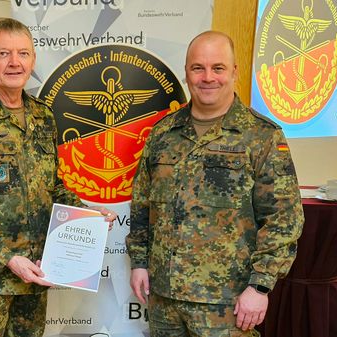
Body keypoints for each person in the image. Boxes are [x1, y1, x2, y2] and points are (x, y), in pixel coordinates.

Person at [0, 18, 116, 337]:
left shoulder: (43, 116)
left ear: (33, 60)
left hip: (34, 278)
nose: (14, 62)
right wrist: (8, 259)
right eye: (4, 54)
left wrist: (87, 215)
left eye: (23, 53)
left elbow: (55, 188)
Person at [126, 31, 304, 336]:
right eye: (198, 68)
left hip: (227, 303)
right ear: (186, 72)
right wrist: (140, 262)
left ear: (234, 72)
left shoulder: (262, 136)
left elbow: (284, 218)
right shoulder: (163, 133)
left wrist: (260, 287)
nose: (208, 77)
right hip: (165, 299)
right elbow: (142, 204)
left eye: (218, 68)